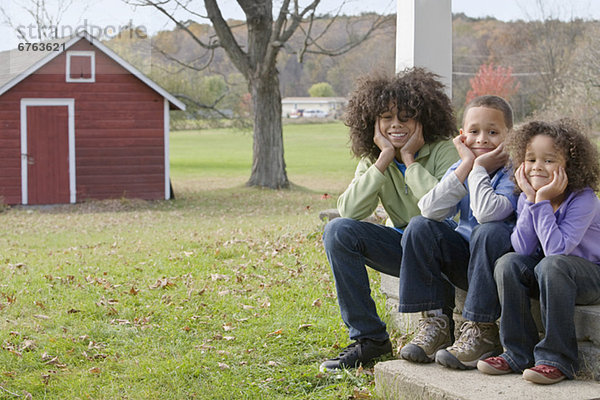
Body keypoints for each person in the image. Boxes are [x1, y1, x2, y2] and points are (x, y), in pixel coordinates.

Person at [319, 67, 459, 372]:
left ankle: (438, 323)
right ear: (373, 123)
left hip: (447, 249)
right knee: (338, 231)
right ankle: (369, 339)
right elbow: (350, 211)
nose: (395, 124)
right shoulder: (374, 159)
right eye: (386, 118)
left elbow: (443, 209)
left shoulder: (443, 151)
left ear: (423, 120)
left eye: (405, 117)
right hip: (406, 248)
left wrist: (409, 161)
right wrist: (383, 160)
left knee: (419, 227)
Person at [398, 95, 517, 370]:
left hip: (498, 265)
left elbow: (488, 214)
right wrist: (466, 166)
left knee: (487, 231)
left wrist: (478, 170)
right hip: (466, 261)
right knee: (419, 226)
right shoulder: (462, 167)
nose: (482, 139)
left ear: (509, 137)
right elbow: (428, 209)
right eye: (474, 132)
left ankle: (481, 330)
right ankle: (436, 323)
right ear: (462, 136)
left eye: (493, 132)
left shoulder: (514, 172)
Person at [477, 119, 600, 384]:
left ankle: (557, 359)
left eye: (549, 160)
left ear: (571, 165)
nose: (537, 167)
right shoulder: (528, 196)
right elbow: (523, 247)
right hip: (552, 277)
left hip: (589, 278)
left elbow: (557, 250)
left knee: (551, 264)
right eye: (531, 159)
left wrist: (542, 201)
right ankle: (517, 353)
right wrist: (532, 199)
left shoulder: (584, 199)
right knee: (508, 263)